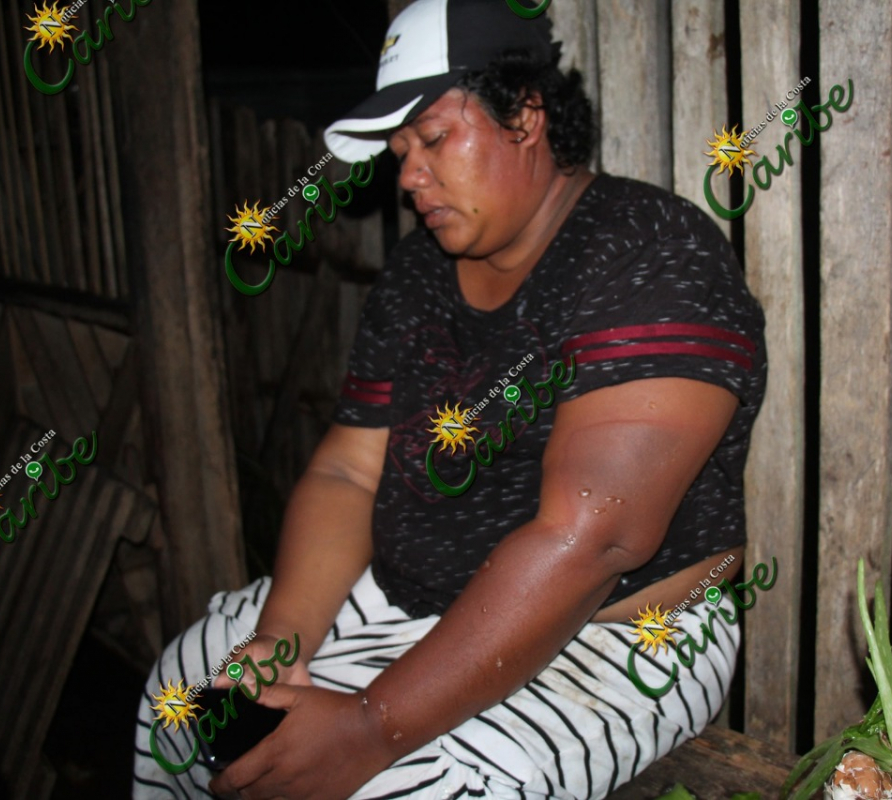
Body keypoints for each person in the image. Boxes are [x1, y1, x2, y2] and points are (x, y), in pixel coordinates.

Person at [132, 0, 767, 797]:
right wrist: (280, 640)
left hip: (613, 631)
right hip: (399, 596)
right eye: (399, 152)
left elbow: (595, 540)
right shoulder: (417, 276)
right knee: (183, 699)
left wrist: (369, 728)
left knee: (396, 788)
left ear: (525, 115)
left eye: (432, 138)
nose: (408, 177)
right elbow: (346, 476)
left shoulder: (650, 254)